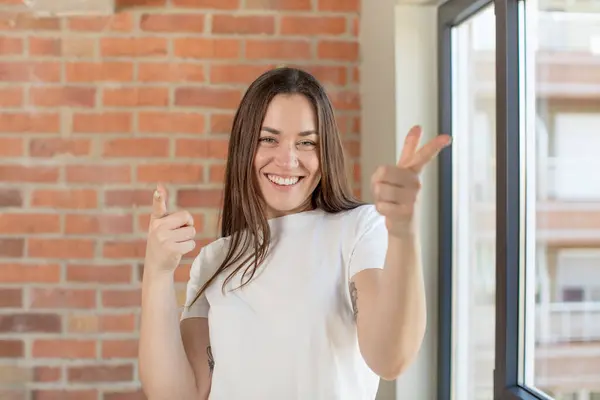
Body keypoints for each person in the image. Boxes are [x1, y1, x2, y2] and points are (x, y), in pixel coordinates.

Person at [138, 67, 451, 400]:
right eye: (268, 139)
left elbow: (390, 359)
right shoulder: (215, 259)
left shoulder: (358, 229)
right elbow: (176, 395)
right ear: (245, 146)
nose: (288, 160)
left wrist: (403, 232)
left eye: (306, 142)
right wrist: (157, 271)